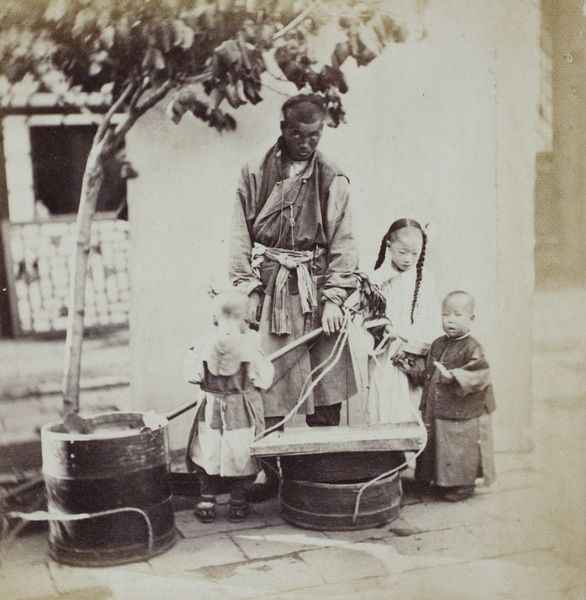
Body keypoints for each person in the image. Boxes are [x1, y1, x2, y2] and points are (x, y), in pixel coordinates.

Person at [229, 93, 359, 433]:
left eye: (314, 135)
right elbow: (239, 234)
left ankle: (322, 479)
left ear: (322, 131)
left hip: (316, 290)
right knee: (271, 383)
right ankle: (274, 479)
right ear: (283, 128)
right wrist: (250, 290)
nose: (305, 143)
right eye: (297, 134)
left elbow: (344, 242)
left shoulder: (332, 178)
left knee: (326, 385)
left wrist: (334, 299)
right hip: (273, 290)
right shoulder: (254, 170)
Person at [183, 290, 274, 523]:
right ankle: (238, 503)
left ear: (215, 318)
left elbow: (191, 375)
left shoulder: (202, 344)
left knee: (207, 451)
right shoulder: (252, 346)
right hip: (241, 410)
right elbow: (264, 379)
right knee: (242, 453)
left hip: (210, 408)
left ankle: (206, 501)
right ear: (247, 317)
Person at [415, 291, 496, 502]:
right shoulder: (437, 343)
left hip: (463, 410)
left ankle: (463, 485)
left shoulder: (473, 346)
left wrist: (455, 376)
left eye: (458, 315)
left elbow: (481, 372)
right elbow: (427, 372)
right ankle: (438, 481)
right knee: (437, 444)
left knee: (459, 446)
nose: (451, 319)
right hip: (438, 406)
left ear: (471, 318)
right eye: (446, 314)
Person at [366, 218, 441, 424]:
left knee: (411, 405)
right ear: (389, 247)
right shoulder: (377, 278)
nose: (408, 259)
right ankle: (387, 453)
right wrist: (384, 328)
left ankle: (411, 454)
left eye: (414, 253)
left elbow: (430, 317)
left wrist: (412, 347)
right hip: (385, 350)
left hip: (413, 355)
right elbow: (367, 314)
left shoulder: (425, 278)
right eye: (402, 252)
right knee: (382, 398)